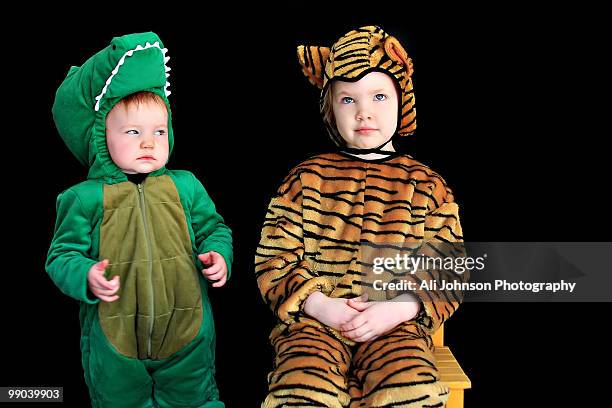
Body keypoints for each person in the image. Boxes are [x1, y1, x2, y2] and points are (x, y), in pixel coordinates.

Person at [255, 25, 467, 407]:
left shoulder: (426, 184)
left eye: (379, 96)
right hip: (315, 324)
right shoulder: (307, 178)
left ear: (403, 103)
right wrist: (320, 306)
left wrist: (400, 307)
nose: (364, 111)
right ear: (330, 108)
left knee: (408, 389)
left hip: (394, 327)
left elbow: (448, 267)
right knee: (301, 390)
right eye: (347, 100)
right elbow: (274, 259)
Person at [47, 32, 232, 408]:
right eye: (133, 132)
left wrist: (218, 253)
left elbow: (215, 228)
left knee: (196, 399)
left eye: (158, 132)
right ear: (101, 137)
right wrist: (85, 274)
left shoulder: (186, 186)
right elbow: (61, 255)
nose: (149, 142)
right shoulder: (83, 198)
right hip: (115, 339)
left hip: (187, 332)